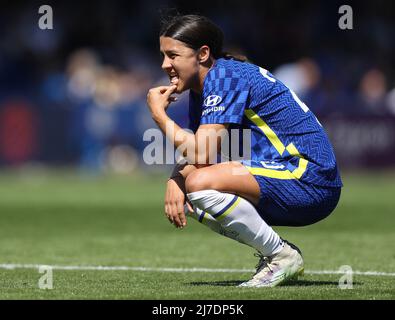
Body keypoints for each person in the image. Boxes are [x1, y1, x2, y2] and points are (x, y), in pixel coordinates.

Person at [146, 14, 342, 287]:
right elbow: (206, 151)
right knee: (191, 194)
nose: (165, 64)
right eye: (163, 55)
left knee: (200, 184)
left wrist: (159, 116)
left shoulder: (224, 76)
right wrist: (175, 179)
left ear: (202, 54)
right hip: (295, 179)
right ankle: (275, 255)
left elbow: (201, 154)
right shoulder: (207, 86)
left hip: (310, 178)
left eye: (173, 55)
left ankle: (281, 256)